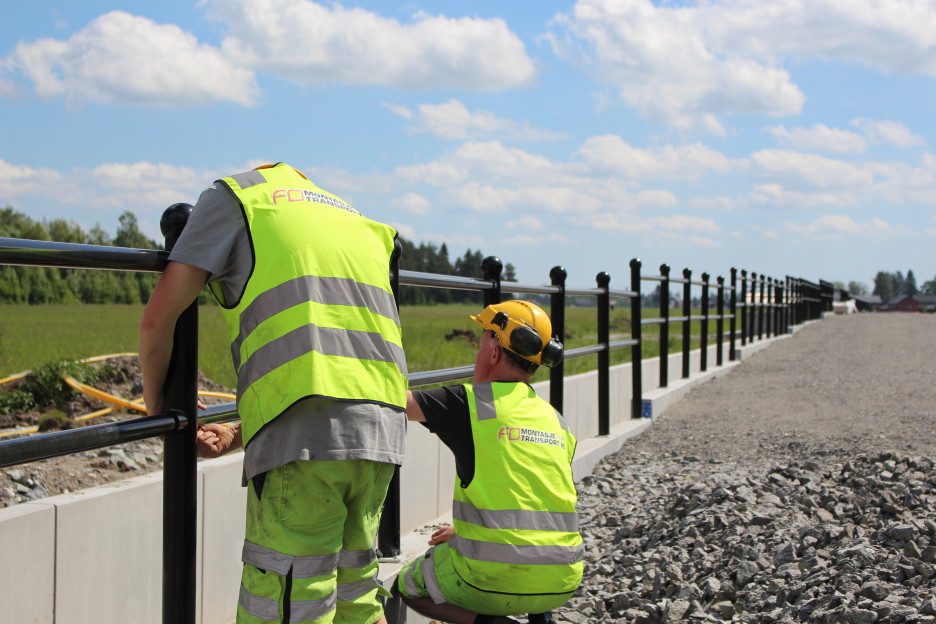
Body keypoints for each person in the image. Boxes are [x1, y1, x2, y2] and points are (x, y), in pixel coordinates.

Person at [139, 162, 408, 624]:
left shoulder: (236, 200)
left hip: (306, 447)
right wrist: (240, 432)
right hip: (382, 428)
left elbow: (156, 321)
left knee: (288, 604)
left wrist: (159, 408)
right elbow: (331, 369)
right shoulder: (348, 215)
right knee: (357, 598)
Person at [398, 300, 583, 624]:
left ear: (494, 351)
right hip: (564, 579)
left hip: (487, 580)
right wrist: (466, 532)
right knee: (528, 574)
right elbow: (531, 495)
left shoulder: (472, 404)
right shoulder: (557, 421)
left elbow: (396, 402)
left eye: (483, 342)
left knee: (408, 587)